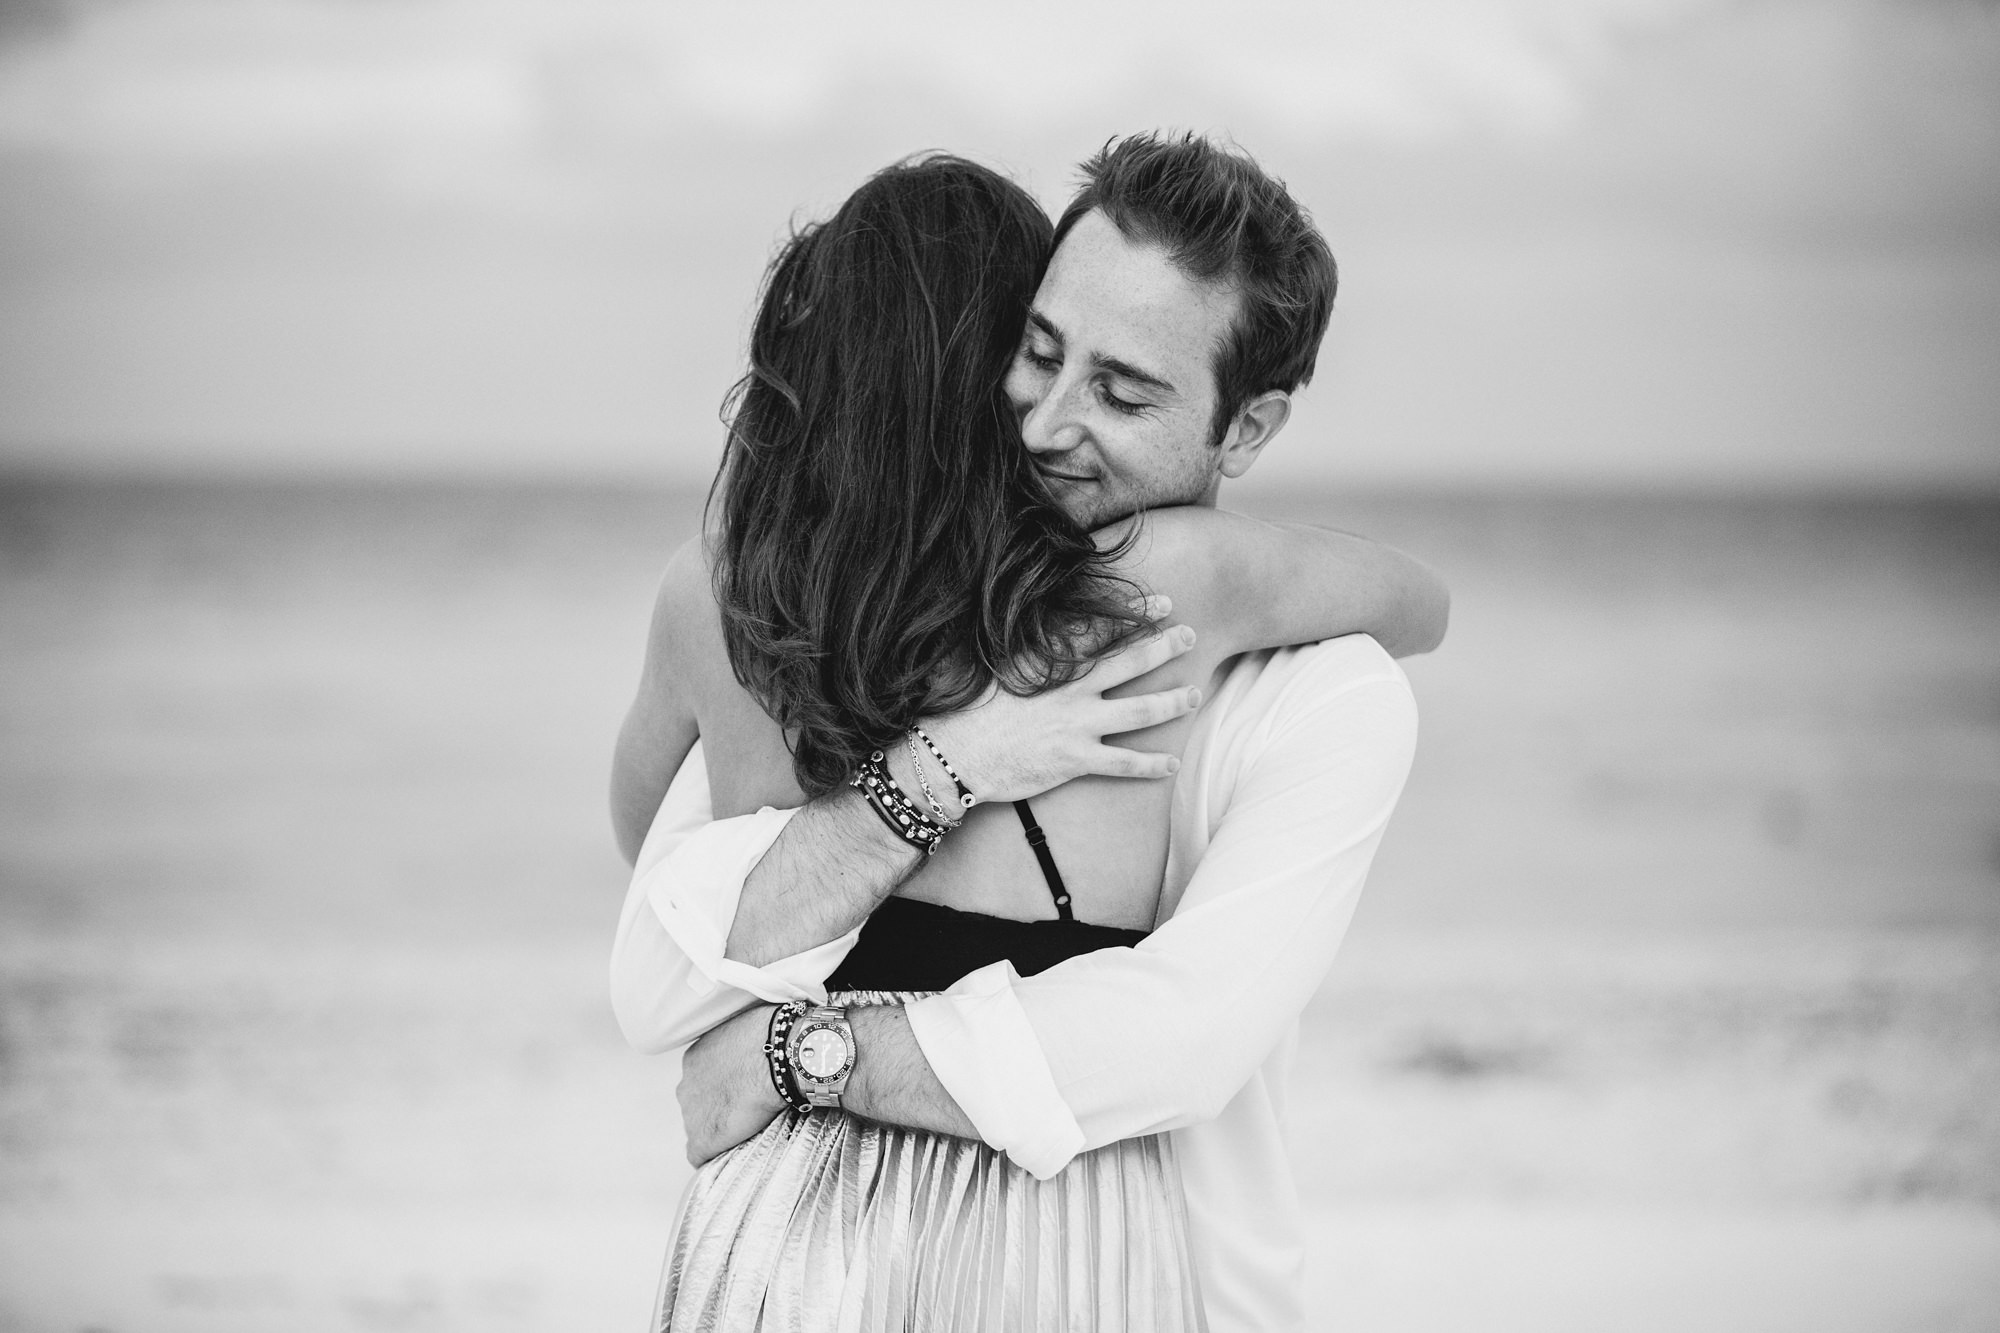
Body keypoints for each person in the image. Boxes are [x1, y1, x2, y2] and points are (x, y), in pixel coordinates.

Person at [612, 135, 1441, 1333]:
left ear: (1246, 426)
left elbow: (656, 871)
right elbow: (1416, 594)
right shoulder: (1156, 581)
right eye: (1036, 353)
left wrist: (794, 1045)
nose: (1047, 423)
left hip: (772, 1219)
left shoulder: (729, 595)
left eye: (1119, 389)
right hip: (1049, 1242)